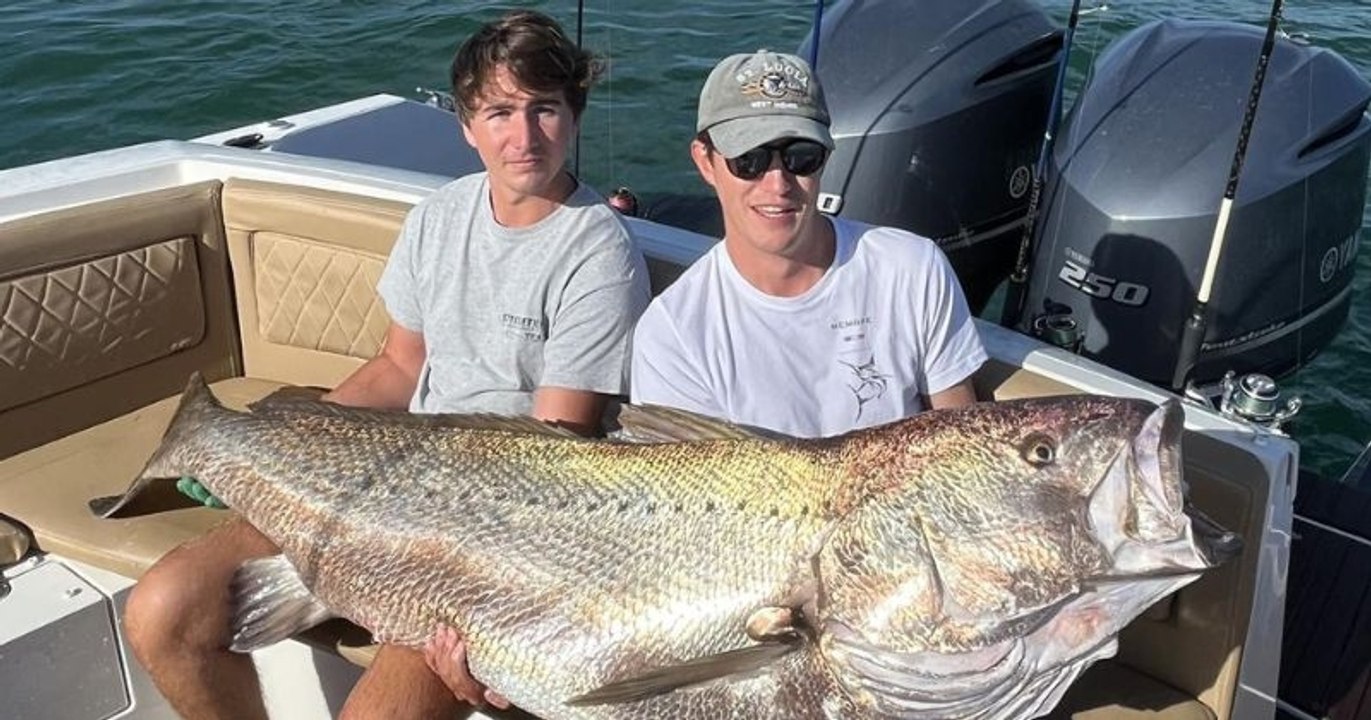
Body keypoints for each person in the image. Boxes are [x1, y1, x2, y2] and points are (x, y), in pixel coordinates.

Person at [121, 10, 650, 720]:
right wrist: (288, 444)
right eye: (499, 112)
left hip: (487, 538)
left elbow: (554, 446)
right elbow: (400, 365)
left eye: (544, 109)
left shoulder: (599, 252)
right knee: (162, 614)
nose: (523, 137)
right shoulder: (439, 215)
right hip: (378, 482)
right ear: (466, 126)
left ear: (573, 117)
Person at [631, 50, 986, 436]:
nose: (778, 184)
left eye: (801, 157)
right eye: (749, 160)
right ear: (705, 162)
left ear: (826, 157)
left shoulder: (913, 269)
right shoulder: (673, 333)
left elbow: (961, 444)